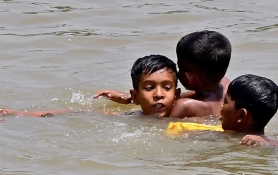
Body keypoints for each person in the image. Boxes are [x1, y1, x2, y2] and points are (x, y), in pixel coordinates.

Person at [94, 31, 230, 118]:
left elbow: (151, 121)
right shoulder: (226, 85)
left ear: (187, 76)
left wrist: (111, 114)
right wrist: (132, 98)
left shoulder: (185, 106)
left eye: (180, 67)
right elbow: (179, 97)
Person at [0, 55, 180, 118]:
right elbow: (76, 113)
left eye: (167, 87)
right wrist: (24, 114)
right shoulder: (133, 117)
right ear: (136, 94)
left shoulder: (187, 109)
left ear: (177, 93)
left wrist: (128, 99)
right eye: (148, 88)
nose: (159, 94)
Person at [220, 74, 278, 146]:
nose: (221, 106)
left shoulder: (256, 143)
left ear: (241, 115)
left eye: (225, 101)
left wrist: (266, 142)